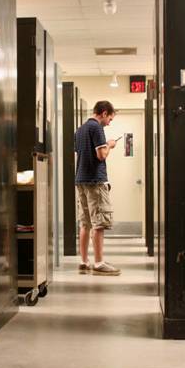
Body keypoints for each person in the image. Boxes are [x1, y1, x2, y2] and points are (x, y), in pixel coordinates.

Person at [74, 100, 121, 276]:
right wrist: (109, 145)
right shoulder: (97, 128)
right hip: (95, 181)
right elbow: (101, 155)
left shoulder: (80, 130)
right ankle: (99, 263)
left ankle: (84, 261)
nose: (109, 122)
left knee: (85, 222)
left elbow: (80, 152)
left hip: (81, 179)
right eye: (109, 118)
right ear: (103, 113)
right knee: (99, 222)